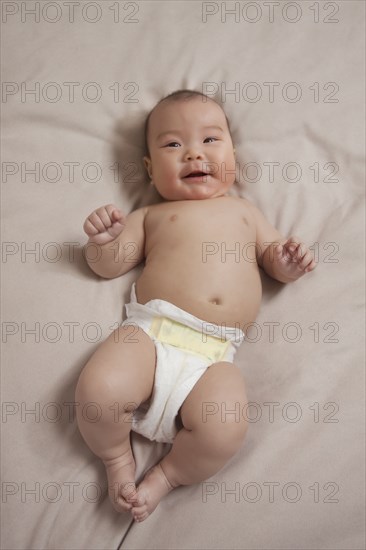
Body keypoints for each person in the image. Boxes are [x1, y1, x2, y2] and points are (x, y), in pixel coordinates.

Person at [75, 89, 317, 522]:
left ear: (234, 156)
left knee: (226, 428)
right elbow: (108, 267)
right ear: (150, 169)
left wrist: (288, 261)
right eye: (172, 144)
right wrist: (103, 242)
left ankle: (165, 477)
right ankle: (116, 459)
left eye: (210, 140)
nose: (193, 155)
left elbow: (274, 260)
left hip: (214, 357)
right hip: (150, 336)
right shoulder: (152, 215)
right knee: (99, 392)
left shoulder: (245, 213)